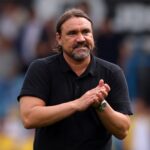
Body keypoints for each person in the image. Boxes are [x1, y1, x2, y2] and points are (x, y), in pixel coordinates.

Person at [17, 8, 133, 150]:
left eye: (86, 32)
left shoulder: (112, 72)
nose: (80, 39)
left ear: (93, 36)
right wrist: (77, 104)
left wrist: (100, 104)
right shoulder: (41, 68)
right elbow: (29, 118)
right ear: (59, 38)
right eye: (72, 33)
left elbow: (123, 130)